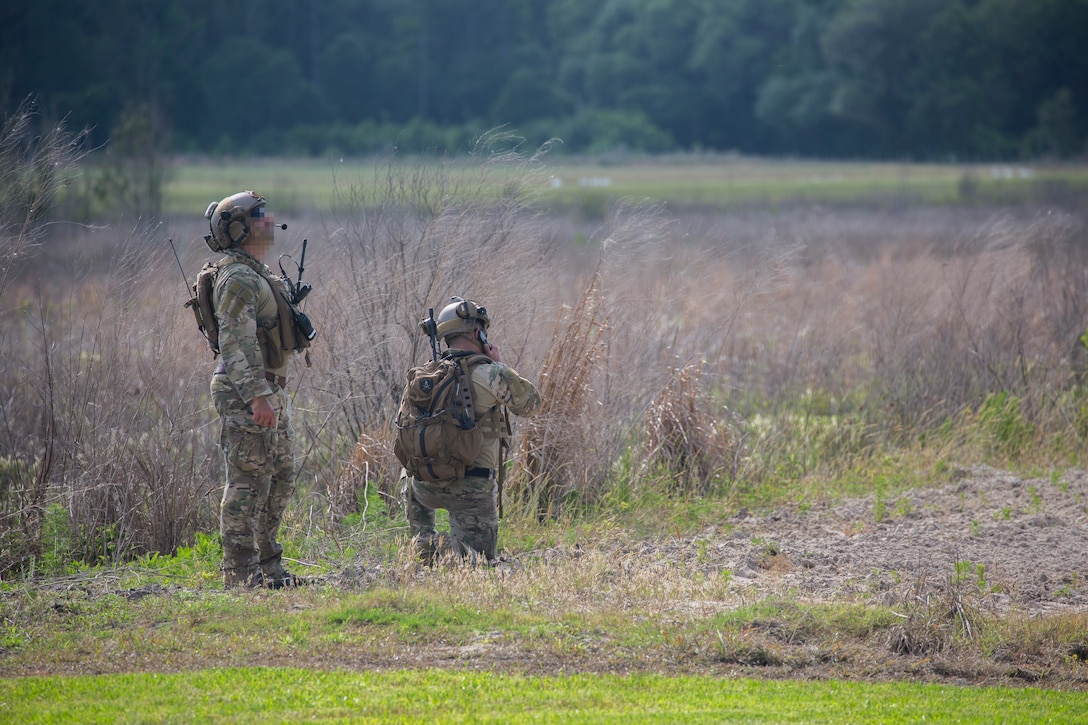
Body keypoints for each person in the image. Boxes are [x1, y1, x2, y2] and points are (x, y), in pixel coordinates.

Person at [203, 190, 304, 588]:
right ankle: (241, 575)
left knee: (279, 475)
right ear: (241, 228)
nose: (269, 220)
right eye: (259, 215)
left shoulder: (255, 272)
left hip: (268, 388)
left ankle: (269, 566)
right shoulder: (239, 278)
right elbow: (234, 340)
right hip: (248, 391)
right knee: (247, 481)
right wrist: (256, 395)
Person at [407, 297, 542, 564]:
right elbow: (531, 404)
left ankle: (424, 542)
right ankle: (453, 554)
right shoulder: (487, 372)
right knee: (479, 563)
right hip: (471, 487)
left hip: (423, 487)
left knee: (409, 470)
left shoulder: (424, 376)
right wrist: (500, 365)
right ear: (476, 332)